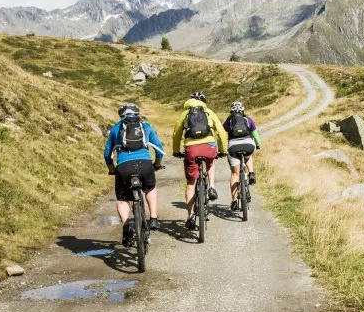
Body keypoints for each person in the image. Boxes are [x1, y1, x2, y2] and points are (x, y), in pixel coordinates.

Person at [104, 102, 166, 246]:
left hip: (123, 166)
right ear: (137, 114)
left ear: (121, 115)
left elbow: (107, 153)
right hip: (144, 164)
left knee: (122, 198)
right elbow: (159, 149)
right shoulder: (146, 126)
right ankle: (154, 218)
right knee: (150, 188)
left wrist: (112, 169)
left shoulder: (116, 129)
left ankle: (127, 225)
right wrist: (157, 164)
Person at [172, 91, 228, 230]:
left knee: (191, 183)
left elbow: (176, 134)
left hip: (191, 148)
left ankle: (190, 216)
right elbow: (221, 131)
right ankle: (212, 187)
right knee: (210, 163)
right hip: (209, 146)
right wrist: (223, 150)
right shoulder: (209, 112)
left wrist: (176, 150)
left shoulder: (185, 114)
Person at [223, 101, 261, 211]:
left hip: (233, 147)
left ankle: (234, 201)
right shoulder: (248, 120)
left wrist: (222, 149)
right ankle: (251, 173)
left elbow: (221, 134)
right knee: (248, 155)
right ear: (243, 111)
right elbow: (256, 135)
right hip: (248, 145)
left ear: (231, 111)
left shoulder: (228, 122)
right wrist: (257, 145)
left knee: (235, 174)